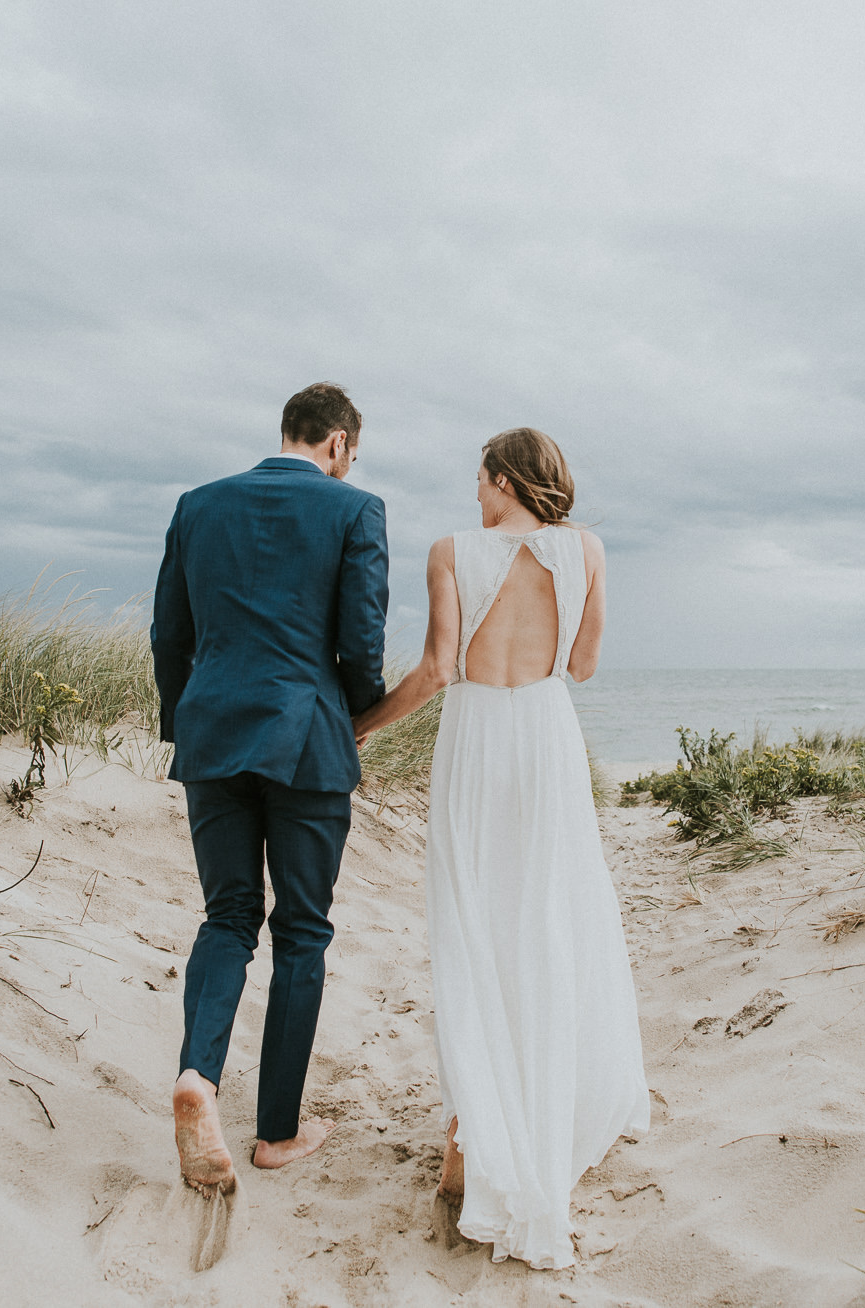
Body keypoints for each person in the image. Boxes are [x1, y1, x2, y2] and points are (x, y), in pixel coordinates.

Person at [351, 427, 649, 1269]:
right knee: (549, 914)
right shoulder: (586, 549)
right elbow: (583, 664)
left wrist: (361, 724)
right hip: (547, 737)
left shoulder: (452, 551)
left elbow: (438, 670)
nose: (474, 495)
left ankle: (473, 1124)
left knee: (474, 923)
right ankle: (530, 1113)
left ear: (503, 481)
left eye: (480, 479)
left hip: (477, 739)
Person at [150, 382, 389, 1241]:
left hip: (212, 734)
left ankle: (198, 1077)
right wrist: (351, 714)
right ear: (337, 442)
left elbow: (167, 634)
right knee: (302, 931)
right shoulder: (356, 509)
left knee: (226, 917)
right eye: (350, 452)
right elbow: (362, 642)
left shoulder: (197, 505)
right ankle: (279, 1133)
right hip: (306, 741)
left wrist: (190, 718)